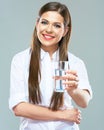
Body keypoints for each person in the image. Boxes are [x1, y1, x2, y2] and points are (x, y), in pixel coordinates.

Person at [9, 2, 92, 130]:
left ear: (65, 31)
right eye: (44, 22)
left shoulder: (75, 62)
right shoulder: (21, 60)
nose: (48, 30)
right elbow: (19, 108)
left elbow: (84, 101)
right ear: (37, 24)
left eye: (57, 25)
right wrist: (63, 115)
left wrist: (73, 90)